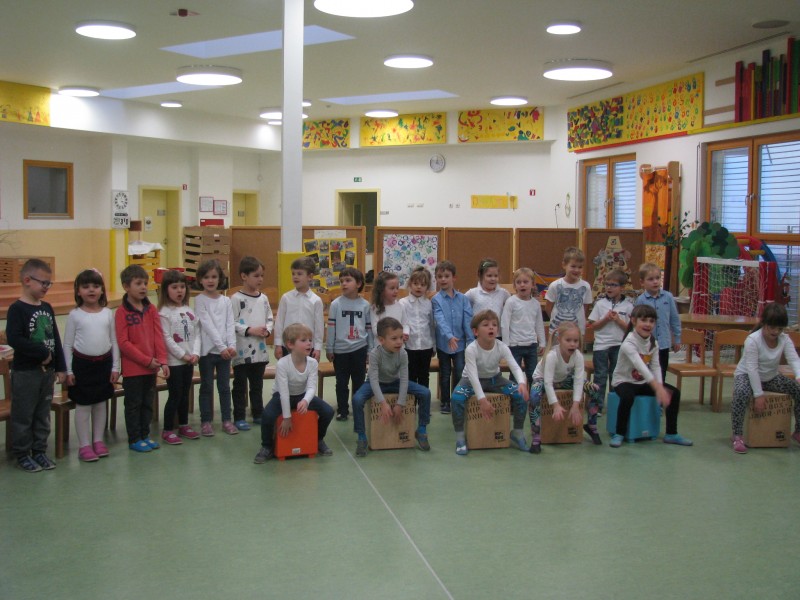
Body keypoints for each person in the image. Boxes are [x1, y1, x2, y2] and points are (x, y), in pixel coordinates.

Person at [5, 258, 66, 472]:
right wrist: (41, 352)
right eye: (44, 283)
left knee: (42, 413)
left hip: (47, 373)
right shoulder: (17, 309)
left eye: (49, 283)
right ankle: (22, 453)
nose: (47, 287)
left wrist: (60, 366)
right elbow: (15, 338)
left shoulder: (47, 307)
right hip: (26, 373)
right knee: (24, 414)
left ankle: (39, 450)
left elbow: (55, 338)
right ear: (27, 280)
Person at [610, 304, 692, 448]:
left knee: (674, 393)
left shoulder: (653, 342)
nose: (648, 324)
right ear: (633, 321)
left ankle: (671, 433)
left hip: (642, 382)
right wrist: (658, 388)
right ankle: (619, 433)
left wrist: (660, 386)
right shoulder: (628, 343)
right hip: (623, 382)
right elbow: (641, 367)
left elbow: (655, 366)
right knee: (627, 397)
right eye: (644, 320)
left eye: (651, 321)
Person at [450, 310, 529, 455]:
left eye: (494, 325)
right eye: (485, 325)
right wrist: (482, 400)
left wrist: (522, 383)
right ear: (476, 331)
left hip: (495, 379)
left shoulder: (502, 346)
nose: (491, 327)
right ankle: (460, 437)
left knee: (520, 395)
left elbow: (515, 366)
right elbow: (473, 376)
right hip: (470, 381)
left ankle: (517, 432)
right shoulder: (471, 349)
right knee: (456, 398)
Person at [254, 323, 335, 463]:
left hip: (302, 395)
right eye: (303, 340)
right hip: (281, 396)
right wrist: (287, 417)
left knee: (328, 411)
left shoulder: (312, 363)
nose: (309, 343)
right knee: (267, 415)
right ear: (290, 344)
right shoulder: (282, 364)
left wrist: (305, 401)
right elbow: (284, 392)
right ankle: (266, 446)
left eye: (310, 340)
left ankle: (318, 439)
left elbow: (311, 387)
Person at [351, 317, 432, 457]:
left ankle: (422, 430)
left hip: (395, 382)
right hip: (375, 383)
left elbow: (405, 379)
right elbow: (373, 380)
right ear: (381, 340)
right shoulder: (375, 354)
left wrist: (400, 404)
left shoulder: (403, 353)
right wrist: (383, 403)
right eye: (394, 338)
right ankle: (361, 437)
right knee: (357, 399)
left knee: (425, 393)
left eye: (400, 337)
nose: (399, 342)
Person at [63, 269, 119, 462]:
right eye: (86, 287)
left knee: (101, 404)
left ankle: (98, 440)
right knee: (84, 405)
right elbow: (67, 345)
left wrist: (115, 367)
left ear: (102, 290)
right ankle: (84, 445)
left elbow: (114, 341)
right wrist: (69, 370)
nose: (91, 290)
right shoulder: (75, 315)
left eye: (96, 286)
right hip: (82, 366)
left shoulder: (107, 313)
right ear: (78, 291)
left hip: (104, 364)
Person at [730, 303, 800, 454]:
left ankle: (798, 431)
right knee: (741, 393)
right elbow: (752, 368)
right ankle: (737, 435)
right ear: (764, 323)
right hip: (746, 375)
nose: (775, 332)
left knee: (797, 389)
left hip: (771, 377)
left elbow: (794, 359)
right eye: (772, 327)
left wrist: (799, 375)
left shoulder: (784, 339)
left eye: (779, 329)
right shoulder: (753, 340)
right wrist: (758, 395)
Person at [115, 264, 169, 453]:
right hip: (133, 370)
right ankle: (134, 438)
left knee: (147, 404)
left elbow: (158, 336)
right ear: (126, 286)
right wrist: (146, 360)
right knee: (134, 405)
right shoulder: (121, 312)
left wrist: (162, 360)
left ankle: (145, 435)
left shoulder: (151, 309)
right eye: (138, 283)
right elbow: (123, 343)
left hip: (151, 368)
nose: (143, 287)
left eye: (145, 283)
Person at [584, 269, 635, 444]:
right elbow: (594, 326)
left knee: (616, 375)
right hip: (601, 345)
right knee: (600, 375)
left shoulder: (628, 306)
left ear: (622, 287)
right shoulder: (600, 304)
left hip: (619, 345)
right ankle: (598, 406)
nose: (609, 288)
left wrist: (618, 320)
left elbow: (630, 328)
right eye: (607, 284)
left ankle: (614, 403)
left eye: (613, 285)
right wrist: (606, 319)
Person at [194, 259, 237, 436]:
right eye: (206, 277)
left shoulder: (226, 301)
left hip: (225, 353)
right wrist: (221, 347)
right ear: (200, 280)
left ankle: (227, 420)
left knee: (224, 387)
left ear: (220, 278)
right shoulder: (199, 300)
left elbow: (230, 324)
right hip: (208, 352)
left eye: (214, 277)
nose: (210, 280)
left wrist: (231, 346)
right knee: (206, 387)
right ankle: (206, 421)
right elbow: (207, 325)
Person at [528, 321, 585, 454]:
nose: (572, 344)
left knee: (592, 387)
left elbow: (578, 381)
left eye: (575, 341)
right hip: (542, 379)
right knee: (534, 396)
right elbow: (547, 382)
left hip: (561, 380)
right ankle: (536, 436)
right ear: (559, 340)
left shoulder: (578, 356)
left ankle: (592, 426)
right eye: (568, 340)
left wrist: (576, 405)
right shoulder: (552, 355)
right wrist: (555, 405)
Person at [158, 269, 201, 445]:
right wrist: (183, 355)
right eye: (174, 287)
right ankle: (168, 429)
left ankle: (183, 424)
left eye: (182, 287)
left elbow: (197, 334)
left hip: (189, 361)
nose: (179, 291)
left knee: (185, 394)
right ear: (166, 290)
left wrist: (195, 353)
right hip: (175, 362)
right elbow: (166, 338)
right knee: (175, 395)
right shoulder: (164, 313)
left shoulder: (188, 310)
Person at [231, 256, 274, 429]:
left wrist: (267, 330)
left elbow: (270, 318)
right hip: (242, 351)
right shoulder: (235, 299)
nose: (260, 279)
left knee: (257, 385)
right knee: (240, 385)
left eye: (262, 275)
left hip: (260, 350)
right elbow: (232, 322)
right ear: (244, 276)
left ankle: (258, 413)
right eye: (256, 276)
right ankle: (239, 416)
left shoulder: (263, 298)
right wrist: (250, 330)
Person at [326, 267, 372, 421]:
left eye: (348, 280)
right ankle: (342, 410)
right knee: (341, 383)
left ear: (358, 284)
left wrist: (370, 349)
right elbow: (331, 328)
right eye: (341, 281)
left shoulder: (365, 305)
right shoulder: (336, 304)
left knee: (359, 382)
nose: (343, 284)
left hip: (359, 349)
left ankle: (358, 409)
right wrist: (330, 348)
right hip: (340, 351)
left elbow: (368, 329)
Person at [432, 260, 474, 415]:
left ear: (454, 278)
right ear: (436, 279)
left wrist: (471, 341)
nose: (443, 279)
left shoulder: (463, 299)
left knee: (459, 372)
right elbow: (440, 319)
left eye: (446, 276)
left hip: (460, 344)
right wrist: (449, 336)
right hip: (444, 344)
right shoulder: (436, 299)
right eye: (439, 276)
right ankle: (445, 402)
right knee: (445, 374)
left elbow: (468, 320)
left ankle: (457, 399)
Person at [501, 267, 546, 389]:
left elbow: (539, 324)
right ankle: (515, 397)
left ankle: (533, 397)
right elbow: (505, 324)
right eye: (518, 282)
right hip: (515, 345)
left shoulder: (535, 304)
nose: (522, 285)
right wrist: (506, 345)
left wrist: (542, 342)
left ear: (533, 284)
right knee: (515, 375)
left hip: (531, 345)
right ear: (514, 285)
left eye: (525, 282)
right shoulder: (511, 302)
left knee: (533, 374)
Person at [635, 262, 681, 380]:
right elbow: (636, 323)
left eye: (657, 278)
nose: (655, 282)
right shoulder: (640, 300)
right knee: (645, 374)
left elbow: (674, 319)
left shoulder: (668, 297)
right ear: (642, 282)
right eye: (650, 279)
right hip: (646, 345)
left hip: (663, 344)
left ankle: (659, 391)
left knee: (661, 373)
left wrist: (677, 339)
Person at [274, 257, 324, 361]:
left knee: (306, 370)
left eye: (299, 274)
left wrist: (318, 348)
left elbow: (319, 327)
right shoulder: (286, 298)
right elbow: (279, 322)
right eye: (293, 274)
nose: (295, 277)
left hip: (307, 347)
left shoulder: (316, 300)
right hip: (288, 346)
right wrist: (278, 344)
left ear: (310, 276)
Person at [399, 266, 435, 389]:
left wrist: (434, 345)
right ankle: (412, 400)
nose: (419, 287)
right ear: (410, 284)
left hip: (426, 346)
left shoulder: (429, 304)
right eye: (415, 284)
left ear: (427, 287)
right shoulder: (403, 303)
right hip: (410, 346)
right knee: (411, 375)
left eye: (423, 285)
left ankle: (423, 399)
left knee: (424, 375)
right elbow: (402, 323)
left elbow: (431, 326)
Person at [544, 247, 593, 335]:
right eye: (573, 266)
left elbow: (585, 307)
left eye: (580, 267)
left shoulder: (586, 286)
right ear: (564, 265)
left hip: (577, 331)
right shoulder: (555, 285)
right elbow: (548, 307)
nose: (577, 270)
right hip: (557, 331)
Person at [465, 258, 510, 337]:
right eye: (489, 276)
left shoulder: (504, 293)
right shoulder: (472, 293)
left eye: (496, 276)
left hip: (497, 336)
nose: (493, 279)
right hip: (478, 336)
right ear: (480, 275)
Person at [369, 270, 407, 346]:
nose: (396, 291)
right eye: (392, 288)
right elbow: (375, 329)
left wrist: (405, 332)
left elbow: (405, 323)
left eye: (397, 288)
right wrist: (392, 335)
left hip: (398, 346)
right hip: (381, 347)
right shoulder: (375, 308)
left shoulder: (400, 306)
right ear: (381, 290)